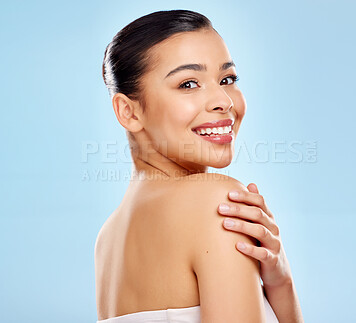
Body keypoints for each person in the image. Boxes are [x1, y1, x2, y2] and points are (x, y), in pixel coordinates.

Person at [95, 9, 304, 323]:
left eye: (226, 79)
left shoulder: (108, 239)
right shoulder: (217, 204)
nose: (224, 100)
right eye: (189, 84)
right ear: (129, 112)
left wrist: (280, 283)